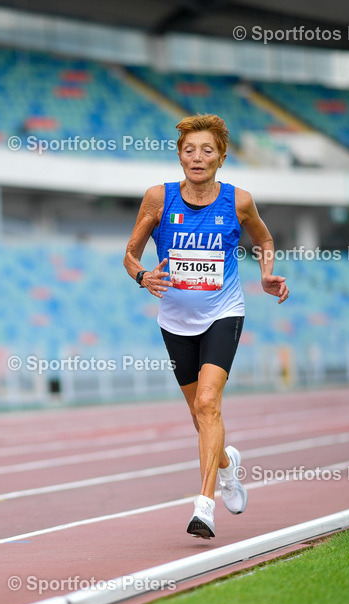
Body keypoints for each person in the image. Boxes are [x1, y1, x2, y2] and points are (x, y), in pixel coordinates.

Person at [124, 114, 289, 539]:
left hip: (224, 311)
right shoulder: (158, 199)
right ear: (179, 156)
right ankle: (229, 468)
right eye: (189, 150)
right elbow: (130, 255)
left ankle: (204, 506)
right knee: (200, 415)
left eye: (207, 150)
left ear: (221, 158)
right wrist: (143, 277)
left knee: (209, 403)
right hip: (175, 321)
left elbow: (264, 240)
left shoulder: (239, 202)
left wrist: (266, 274)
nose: (198, 157)